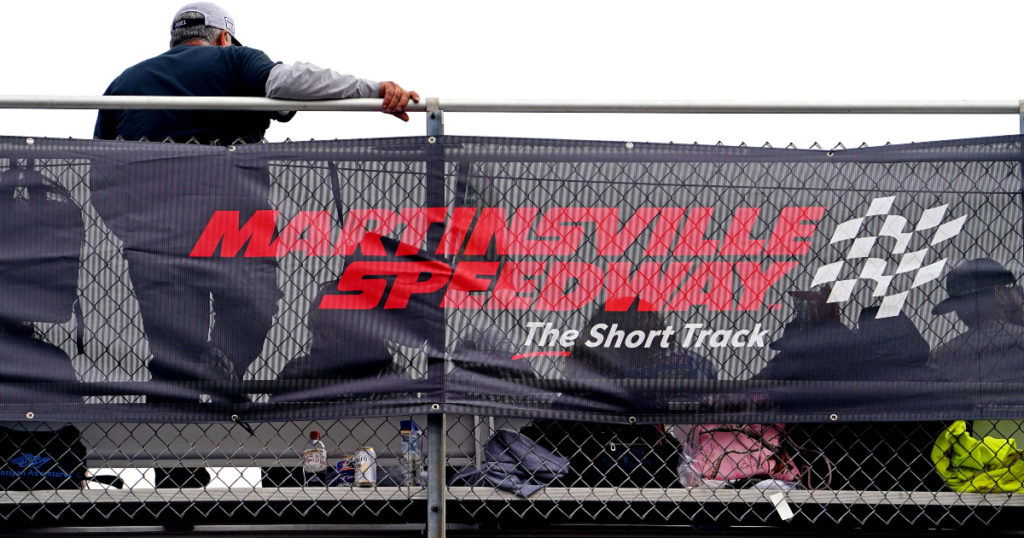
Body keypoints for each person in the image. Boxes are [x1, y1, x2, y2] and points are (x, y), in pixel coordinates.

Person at [92, 2, 418, 402]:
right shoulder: (234, 59)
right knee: (254, 303)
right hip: (232, 223)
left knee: (173, 348)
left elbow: (100, 173)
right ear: (223, 37)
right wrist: (372, 89)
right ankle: (221, 368)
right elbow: (289, 81)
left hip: (155, 235)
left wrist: (132, 230)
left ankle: (172, 451)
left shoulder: (125, 81)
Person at [929, 258, 1024, 382]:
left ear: (960, 312)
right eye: (1015, 288)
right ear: (999, 293)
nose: (1021, 294)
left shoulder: (940, 357)